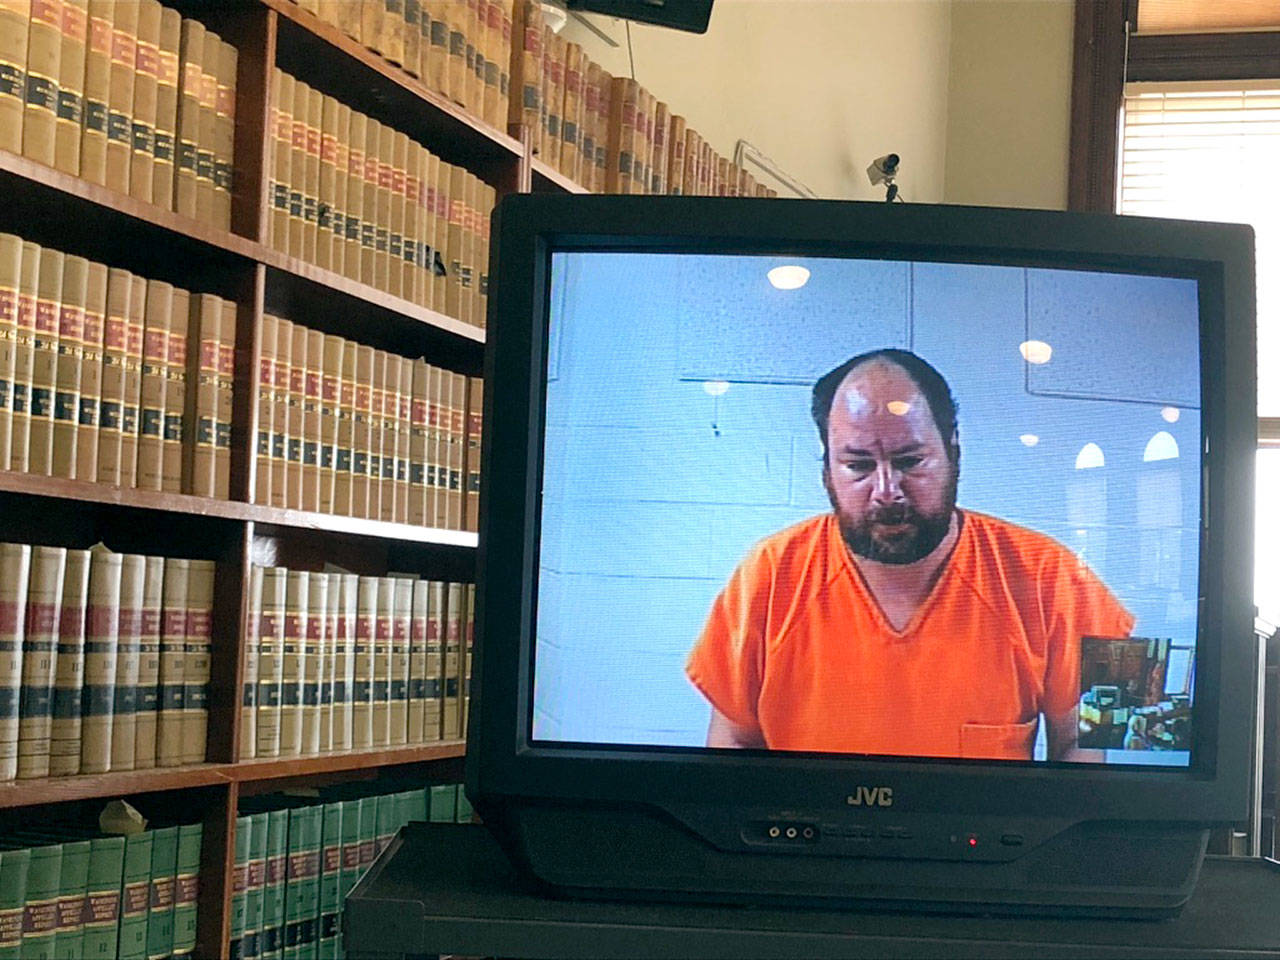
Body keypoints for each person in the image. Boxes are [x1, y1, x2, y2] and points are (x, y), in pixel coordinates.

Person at [685, 348, 1134, 761]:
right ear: (826, 469)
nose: (887, 492)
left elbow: (1085, 746)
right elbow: (733, 744)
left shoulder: (1052, 577)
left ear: (953, 451)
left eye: (910, 461)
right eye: (859, 465)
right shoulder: (766, 575)